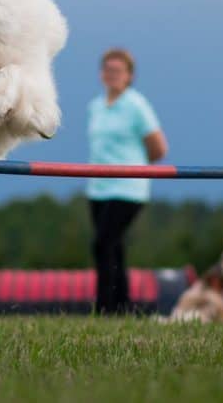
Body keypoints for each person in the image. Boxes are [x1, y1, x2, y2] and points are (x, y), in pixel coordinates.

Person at [87, 48, 168, 314]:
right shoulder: (95, 106)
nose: (112, 75)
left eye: (117, 71)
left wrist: (135, 165)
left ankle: (105, 308)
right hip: (98, 188)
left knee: (103, 243)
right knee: (114, 247)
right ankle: (122, 305)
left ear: (129, 76)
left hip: (128, 187)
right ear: (101, 74)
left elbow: (158, 148)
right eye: (108, 70)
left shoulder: (136, 105)